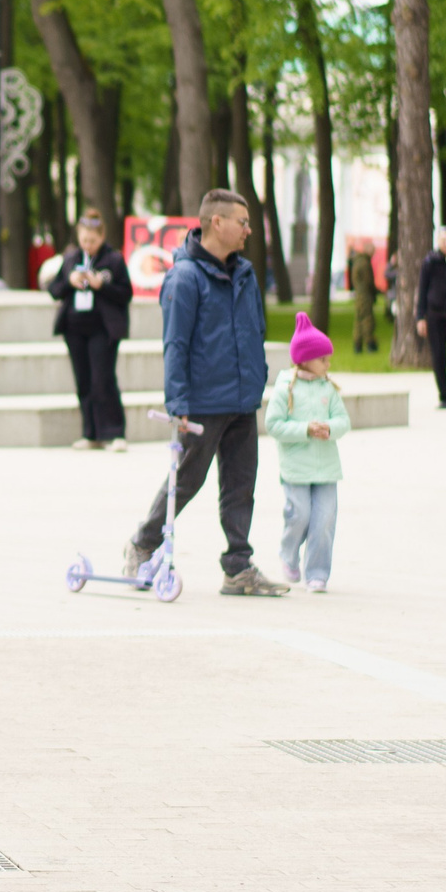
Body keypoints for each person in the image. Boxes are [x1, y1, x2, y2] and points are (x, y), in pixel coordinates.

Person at [126, 189, 285, 596]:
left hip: (242, 400)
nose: (249, 230)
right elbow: (175, 343)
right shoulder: (184, 277)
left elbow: (255, 331)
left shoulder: (245, 274)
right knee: (187, 481)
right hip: (203, 403)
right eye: (243, 222)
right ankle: (143, 543)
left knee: (240, 486)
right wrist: (177, 402)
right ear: (217, 222)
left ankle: (238, 568)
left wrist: (257, 380)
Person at [264, 312, 351, 591]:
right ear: (304, 359)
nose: (328, 364)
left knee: (324, 519)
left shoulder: (329, 388)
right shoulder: (285, 389)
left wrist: (329, 428)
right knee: (299, 515)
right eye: (323, 359)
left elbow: (343, 421)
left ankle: (317, 573)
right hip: (296, 468)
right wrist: (305, 429)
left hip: (326, 467)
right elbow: (273, 425)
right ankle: (288, 554)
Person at [50, 210, 131, 447]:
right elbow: (54, 289)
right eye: (84, 240)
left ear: (102, 237)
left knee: (102, 379)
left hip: (102, 328)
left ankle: (115, 432)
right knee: (83, 380)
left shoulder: (113, 260)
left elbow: (125, 293)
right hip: (75, 327)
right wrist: (70, 281)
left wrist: (100, 286)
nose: (88, 246)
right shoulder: (71, 258)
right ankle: (91, 433)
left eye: (93, 241)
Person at [414, 225, 446, 409]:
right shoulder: (430, 262)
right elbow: (422, 289)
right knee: (438, 356)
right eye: (444, 241)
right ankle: (444, 395)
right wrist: (421, 317)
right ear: (438, 242)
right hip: (435, 315)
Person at [346, 241, 379, 354]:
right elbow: (368, 281)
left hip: (359, 294)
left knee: (358, 320)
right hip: (365, 295)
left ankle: (357, 344)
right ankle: (370, 343)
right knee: (367, 319)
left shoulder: (357, 261)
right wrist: (374, 292)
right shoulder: (364, 263)